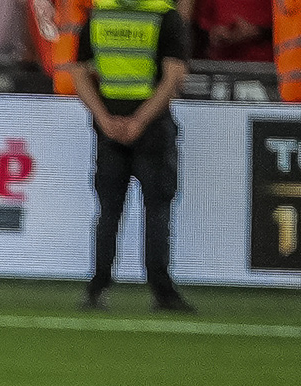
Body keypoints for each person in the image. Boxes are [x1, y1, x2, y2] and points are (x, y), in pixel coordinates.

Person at [76, 0, 192, 311]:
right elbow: (174, 77)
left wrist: (104, 119)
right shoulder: (164, 16)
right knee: (157, 210)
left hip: (109, 128)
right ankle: (162, 291)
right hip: (152, 129)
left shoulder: (99, 15)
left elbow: (79, 74)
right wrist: (140, 121)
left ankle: (97, 289)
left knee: (108, 212)